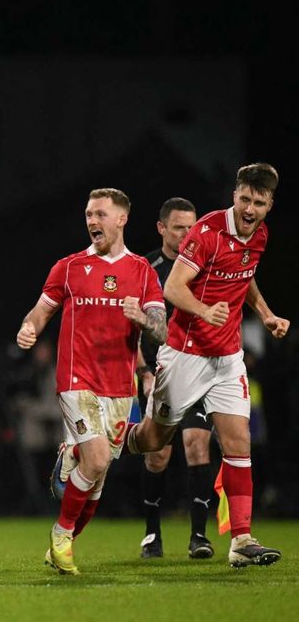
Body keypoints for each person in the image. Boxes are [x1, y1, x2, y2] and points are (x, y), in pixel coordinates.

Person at [123, 163, 289, 568]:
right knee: (154, 442)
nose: (250, 208)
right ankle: (119, 437)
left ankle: (241, 539)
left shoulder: (260, 235)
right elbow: (172, 287)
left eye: (259, 202)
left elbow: (244, 275)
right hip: (184, 354)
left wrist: (265, 313)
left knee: (238, 443)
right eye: (245, 199)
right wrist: (204, 310)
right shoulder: (208, 232)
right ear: (235, 195)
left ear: (269, 205)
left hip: (227, 358)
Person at [16, 188, 167, 576]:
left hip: (119, 385)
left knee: (97, 477)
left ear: (121, 219)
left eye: (100, 214)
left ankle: (62, 543)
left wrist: (143, 320)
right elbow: (41, 310)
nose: (92, 221)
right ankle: (61, 534)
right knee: (97, 459)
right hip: (75, 377)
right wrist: (28, 328)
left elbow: (162, 329)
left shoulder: (143, 272)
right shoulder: (68, 267)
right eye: (88, 214)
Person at [133, 198, 214, 559]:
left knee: (197, 445)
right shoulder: (144, 269)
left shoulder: (205, 264)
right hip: (159, 374)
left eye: (191, 226)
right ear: (162, 228)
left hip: (196, 368)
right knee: (157, 457)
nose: (186, 234)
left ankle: (199, 536)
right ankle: (152, 533)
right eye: (179, 227)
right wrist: (143, 371)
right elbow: (130, 328)